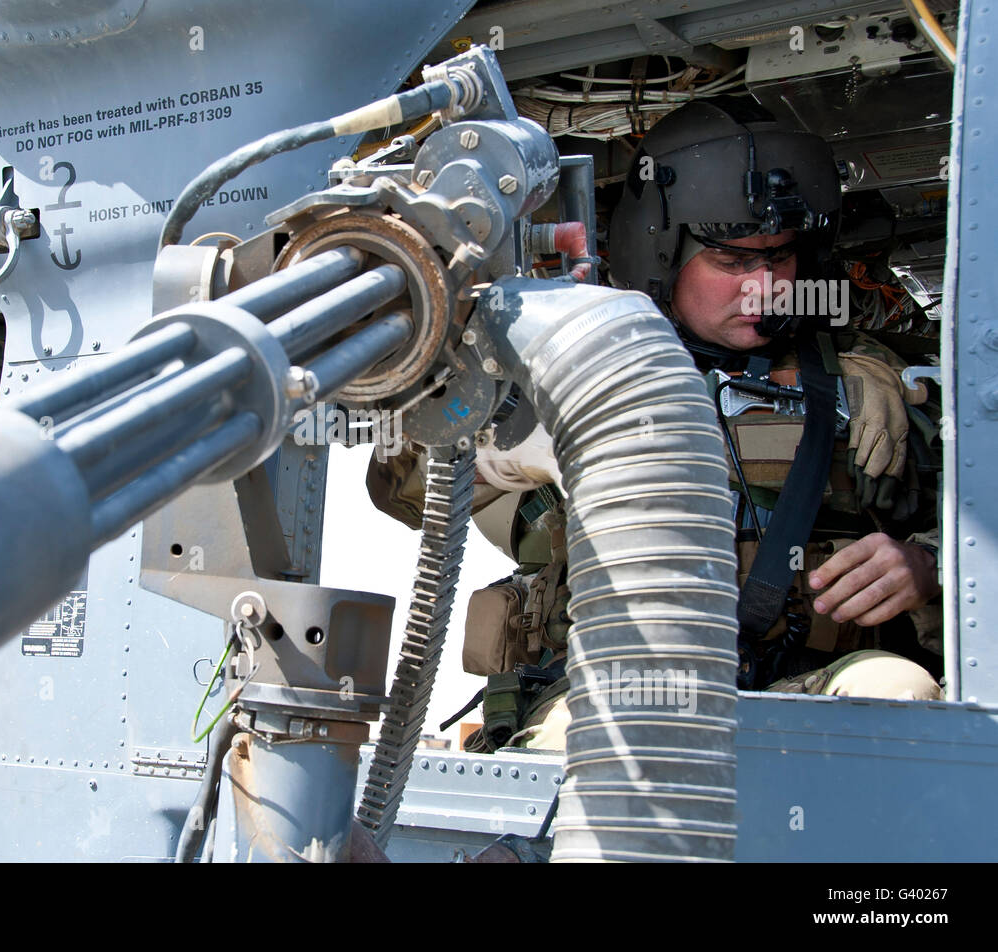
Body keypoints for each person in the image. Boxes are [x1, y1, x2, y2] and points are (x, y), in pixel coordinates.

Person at [370, 97, 942, 751]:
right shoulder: (549, 359)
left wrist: (927, 564)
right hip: (610, 691)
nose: (764, 286)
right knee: (571, 748)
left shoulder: (874, 382)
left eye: (780, 258)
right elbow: (403, 488)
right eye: (732, 261)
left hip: (816, 694)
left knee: (903, 697)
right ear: (663, 252)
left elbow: (975, 522)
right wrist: (501, 441)